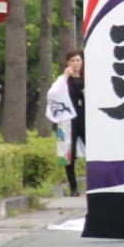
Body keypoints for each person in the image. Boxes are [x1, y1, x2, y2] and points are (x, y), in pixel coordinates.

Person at [45, 50, 85, 197]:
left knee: (94, 152)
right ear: (67, 63)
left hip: (85, 120)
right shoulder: (63, 80)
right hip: (68, 121)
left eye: (78, 60)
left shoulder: (87, 78)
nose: (75, 64)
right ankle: (73, 188)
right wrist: (66, 76)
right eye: (72, 61)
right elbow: (53, 94)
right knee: (69, 154)